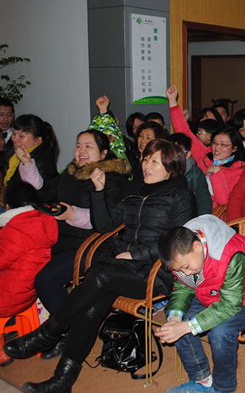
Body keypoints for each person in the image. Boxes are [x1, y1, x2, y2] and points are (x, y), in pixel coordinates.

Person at [3, 139, 197, 392]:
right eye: (145, 159)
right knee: (92, 306)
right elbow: (105, 225)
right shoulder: (135, 189)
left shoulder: (180, 194)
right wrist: (98, 191)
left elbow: (179, 240)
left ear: (171, 168)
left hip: (157, 270)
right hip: (123, 266)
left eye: (154, 162)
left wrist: (136, 253)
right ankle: (62, 380)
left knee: (101, 276)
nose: (146, 165)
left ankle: (48, 332)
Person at [19, 130, 130, 360]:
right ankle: (73, 329)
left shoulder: (111, 178)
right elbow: (42, 193)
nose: (81, 151)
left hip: (91, 245)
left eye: (88, 146)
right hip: (61, 241)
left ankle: (68, 332)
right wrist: (28, 164)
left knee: (45, 279)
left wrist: (73, 214)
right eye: (78, 145)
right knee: (27, 269)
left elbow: (107, 221)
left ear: (103, 153)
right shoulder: (70, 174)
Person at [156, 214, 245, 393]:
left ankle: (224, 388)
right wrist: (175, 318)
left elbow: (229, 304)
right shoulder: (183, 253)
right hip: (216, 291)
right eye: (179, 270)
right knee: (179, 319)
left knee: (221, 332)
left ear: (197, 246)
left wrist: (186, 327)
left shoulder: (230, 253)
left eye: (185, 267)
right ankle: (202, 380)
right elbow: (184, 287)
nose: (185, 272)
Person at [0, 181, 58, 366]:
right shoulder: (45, 220)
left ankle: (2, 352)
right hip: (33, 290)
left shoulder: (14, 229)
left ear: (7, 206)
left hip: (11, 296)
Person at [168, 85, 245, 207]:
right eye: (215, 143)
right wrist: (172, 101)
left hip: (216, 214)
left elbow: (223, 201)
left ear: (234, 148)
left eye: (223, 144)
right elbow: (184, 132)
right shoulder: (205, 155)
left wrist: (216, 173)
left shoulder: (238, 170)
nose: (217, 148)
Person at [4, 115, 58, 187]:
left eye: (21, 136)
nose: (14, 139)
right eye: (14, 133)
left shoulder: (43, 161)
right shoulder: (16, 150)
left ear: (37, 140)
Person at [167, 132, 213, 216]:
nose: (173, 155)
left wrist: (200, 220)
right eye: (169, 151)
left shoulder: (195, 173)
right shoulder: (158, 170)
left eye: (178, 151)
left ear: (188, 154)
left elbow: (204, 201)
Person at [0, 97, 16, 175]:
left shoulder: (18, 139)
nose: (6, 119)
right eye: (1, 115)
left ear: (13, 116)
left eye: (9, 115)